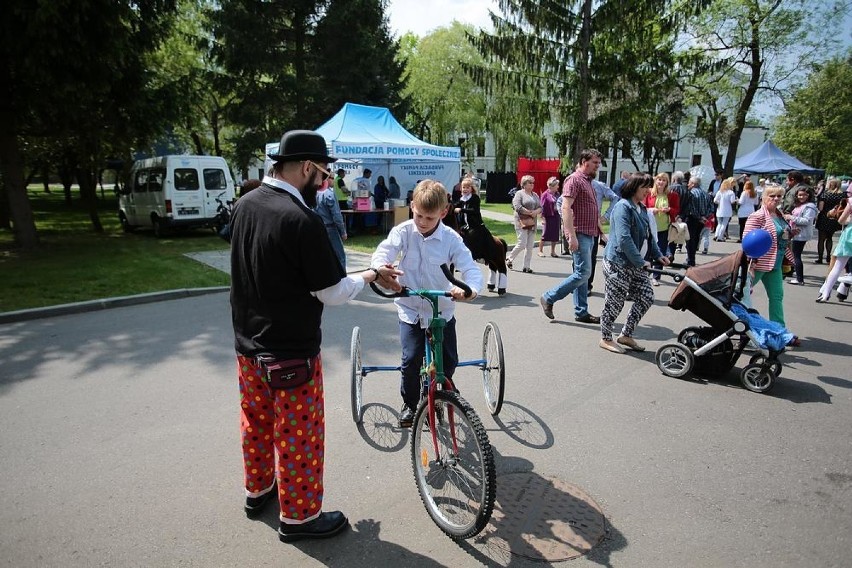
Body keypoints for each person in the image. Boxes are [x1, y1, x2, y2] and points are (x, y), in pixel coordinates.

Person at [229, 130, 402, 543]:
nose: (325, 184)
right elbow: (333, 292)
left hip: (247, 344)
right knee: (298, 434)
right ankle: (301, 517)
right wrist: (371, 274)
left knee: (256, 422)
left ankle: (258, 490)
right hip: (291, 351)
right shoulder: (300, 219)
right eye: (324, 176)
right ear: (307, 167)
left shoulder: (245, 204)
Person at [371, 179, 482, 427]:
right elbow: (383, 252)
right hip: (410, 308)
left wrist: (469, 290)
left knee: (449, 361)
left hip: (441, 310)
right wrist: (380, 267)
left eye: (429, 218)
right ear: (412, 206)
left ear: (443, 212)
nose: (422, 222)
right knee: (411, 360)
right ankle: (410, 404)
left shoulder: (451, 238)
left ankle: (443, 395)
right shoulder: (403, 232)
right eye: (418, 215)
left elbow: (471, 269)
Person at [599, 173, 671, 353]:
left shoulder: (642, 208)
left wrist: (658, 255)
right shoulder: (623, 207)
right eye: (644, 187)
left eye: (649, 187)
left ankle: (626, 335)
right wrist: (641, 262)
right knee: (615, 302)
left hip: (636, 264)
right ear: (633, 188)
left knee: (646, 297)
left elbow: (649, 236)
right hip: (618, 263)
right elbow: (624, 239)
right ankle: (606, 338)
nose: (648, 190)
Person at [539, 149, 604, 324]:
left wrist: (601, 233)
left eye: (599, 162)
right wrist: (571, 236)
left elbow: (592, 210)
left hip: (590, 234)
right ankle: (549, 297)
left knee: (581, 274)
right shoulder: (574, 180)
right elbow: (566, 208)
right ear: (584, 162)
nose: (598, 166)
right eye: (595, 163)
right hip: (580, 233)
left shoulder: (588, 181)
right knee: (584, 273)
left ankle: (581, 312)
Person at [742, 185, 794, 327]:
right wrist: (751, 266)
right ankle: (739, 326)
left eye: (779, 196)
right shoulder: (757, 216)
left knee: (777, 297)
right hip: (759, 263)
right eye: (772, 196)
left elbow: (781, 235)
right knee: (742, 295)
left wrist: (791, 234)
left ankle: (779, 330)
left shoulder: (780, 215)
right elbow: (747, 241)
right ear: (764, 197)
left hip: (775, 263)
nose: (776, 199)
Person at [644, 172, 679, 285]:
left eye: (664, 180)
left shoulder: (671, 194)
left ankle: (656, 276)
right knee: (647, 251)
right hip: (649, 227)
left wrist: (669, 209)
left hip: (664, 227)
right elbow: (642, 207)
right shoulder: (649, 193)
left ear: (667, 183)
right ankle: (646, 273)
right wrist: (651, 210)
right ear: (655, 181)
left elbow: (676, 209)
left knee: (660, 252)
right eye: (659, 179)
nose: (661, 182)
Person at [817, 195, 852, 303]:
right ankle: (847, 279)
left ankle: (825, 293)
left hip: (849, 234)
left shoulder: (851, 200)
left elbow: (841, 220)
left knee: (837, 266)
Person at [507, 175, 542, 273]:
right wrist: (529, 212)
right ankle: (509, 258)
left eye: (532, 183)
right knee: (522, 243)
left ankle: (526, 266)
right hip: (521, 221)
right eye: (530, 183)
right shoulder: (519, 194)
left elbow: (540, 206)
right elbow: (517, 206)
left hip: (532, 222)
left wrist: (536, 211)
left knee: (530, 246)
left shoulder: (535, 195)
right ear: (524, 184)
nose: (532, 184)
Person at [589, 179, 619, 292]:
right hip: (578, 225)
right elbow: (561, 201)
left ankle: (587, 285)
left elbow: (615, 198)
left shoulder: (599, 185)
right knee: (577, 257)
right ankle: (577, 284)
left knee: (591, 256)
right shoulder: (574, 181)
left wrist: (606, 215)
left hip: (594, 225)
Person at [785, 187, 817, 286]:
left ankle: (799, 279)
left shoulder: (810, 206)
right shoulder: (800, 205)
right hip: (795, 232)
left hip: (801, 234)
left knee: (796, 256)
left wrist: (791, 217)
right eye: (799, 195)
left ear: (809, 195)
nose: (801, 197)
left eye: (804, 195)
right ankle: (796, 276)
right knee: (795, 255)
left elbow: (806, 221)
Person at [314, 182, 347, 270]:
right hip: (330, 228)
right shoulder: (329, 193)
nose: (334, 180)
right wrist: (343, 231)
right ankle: (343, 280)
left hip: (318, 228)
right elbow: (336, 215)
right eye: (332, 177)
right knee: (340, 257)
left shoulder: (313, 193)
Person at [681, 176, 714, 266]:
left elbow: (692, 208)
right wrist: (705, 217)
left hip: (693, 219)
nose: (688, 184)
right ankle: (692, 258)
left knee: (689, 240)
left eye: (689, 183)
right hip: (702, 221)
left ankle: (690, 260)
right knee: (696, 239)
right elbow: (711, 208)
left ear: (693, 184)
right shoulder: (706, 194)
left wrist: (699, 217)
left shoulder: (691, 193)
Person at [815, 178, 845, 264]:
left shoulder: (825, 194)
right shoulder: (842, 195)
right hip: (835, 218)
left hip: (824, 217)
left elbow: (821, 208)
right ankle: (828, 256)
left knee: (821, 239)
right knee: (830, 238)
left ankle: (820, 258)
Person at [538, 176, 561, 257]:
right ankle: (540, 251)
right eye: (557, 185)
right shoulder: (545, 194)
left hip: (556, 216)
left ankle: (553, 251)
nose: (558, 186)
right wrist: (543, 218)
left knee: (555, 235)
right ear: (552, 186)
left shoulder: (558, 194)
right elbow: (542, 206)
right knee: (545, 234)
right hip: (548, 216)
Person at [713, 177, 737, 241]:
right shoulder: (731, 192)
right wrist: (736, 200)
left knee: (719, 224)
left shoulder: (719, 192)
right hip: (727, 210)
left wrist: (719, 202)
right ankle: (720, 237)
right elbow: (732, 201)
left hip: (719, 209)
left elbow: (715, 200)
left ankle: (716, 235)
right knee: (724, 224)